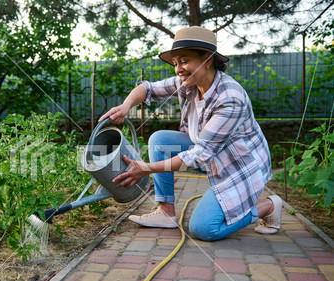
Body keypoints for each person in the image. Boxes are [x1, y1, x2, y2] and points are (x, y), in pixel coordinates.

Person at [98, 26, 282, 241]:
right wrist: (125, 106)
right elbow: (147, 89)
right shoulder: (187, 83)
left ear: (208, 58)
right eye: (175, 63)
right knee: (160, 140)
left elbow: (199, 156)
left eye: (184, 61)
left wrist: (146, 169)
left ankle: (269, 206)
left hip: (239, 166)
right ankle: (166, 213)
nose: (178, 69)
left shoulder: (230, 98)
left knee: (204, 229)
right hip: (210, 156)